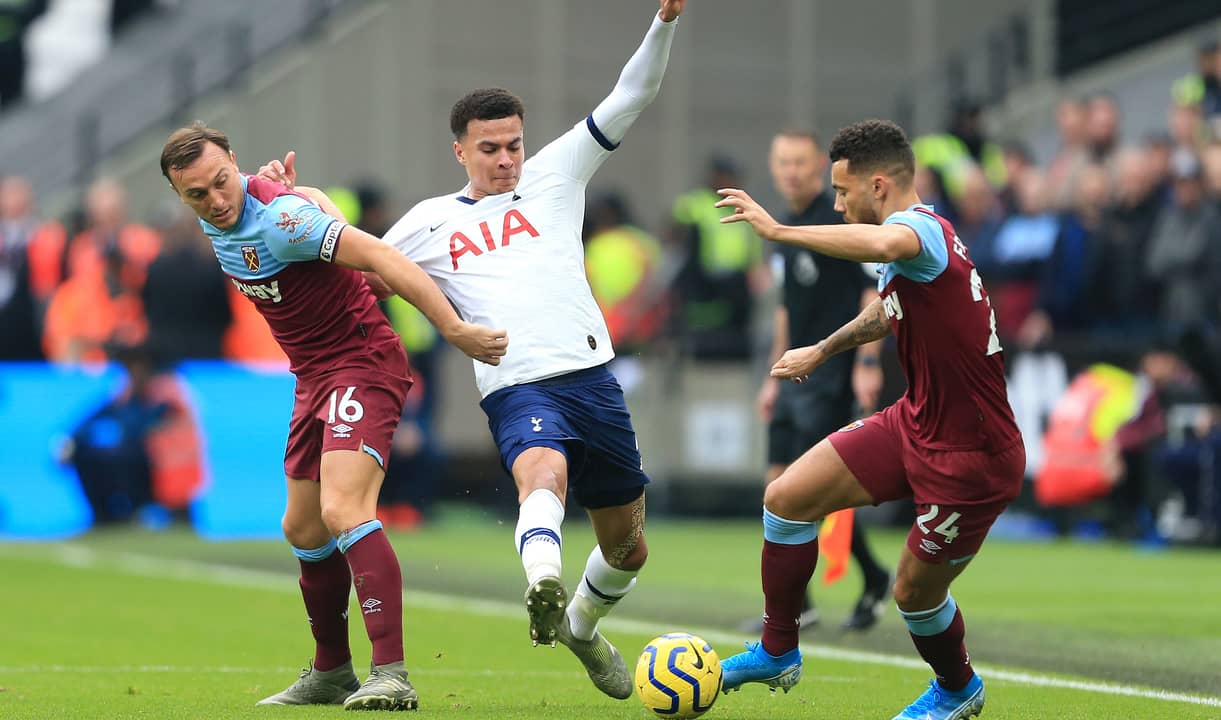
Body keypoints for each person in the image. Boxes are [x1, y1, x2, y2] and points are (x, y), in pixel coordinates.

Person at [259, 0, 687, 700]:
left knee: (626, 547)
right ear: (459, 150)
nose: (505, 159)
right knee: (541, 474)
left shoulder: (556, 174)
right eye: (488, 148)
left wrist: (663, 20)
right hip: (519, 386)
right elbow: (358, 265)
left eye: (512, 143)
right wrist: (293, 205)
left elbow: (632, 93)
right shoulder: (430, 222)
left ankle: (579, 626)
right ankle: (542, 585)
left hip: (593, 380)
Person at [160, 122, 508, 711]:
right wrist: (305, 194)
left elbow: (377, 257)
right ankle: (330, 671)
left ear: (234, 162)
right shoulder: (235, 209)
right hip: (313, 375)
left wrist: (452, 328)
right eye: (197, 194)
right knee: (302, 527)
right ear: (180, 195)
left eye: (222, 183)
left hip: (361, 360)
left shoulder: (280, 218)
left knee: (343, 509)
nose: (215, 202)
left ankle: (391, 673)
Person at [714, 119, 1024, 720]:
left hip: (972, 456)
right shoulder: (917, 246)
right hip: (914, 423)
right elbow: (888, 311)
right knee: (785, 498)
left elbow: (887, 247)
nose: (835, 205)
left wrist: (777, 230)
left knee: (914, 595)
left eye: (841, 192)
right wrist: (824, 349)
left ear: (878, 186)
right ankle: (779, 649)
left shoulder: (918, 230)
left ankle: (959, 689)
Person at [745, 128, 891, 634]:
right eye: (783, 162)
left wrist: (867, 366)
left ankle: (865, 579)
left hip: (829, 375)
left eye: (801, 163)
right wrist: (772, 376)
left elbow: (873, 296)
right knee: (777, 490)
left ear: (818, 168)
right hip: (792, 376)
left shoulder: (839, 221)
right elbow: (787, 309)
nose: (792, 172)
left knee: (812, 493)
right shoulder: (783, 229)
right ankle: (811, 599)